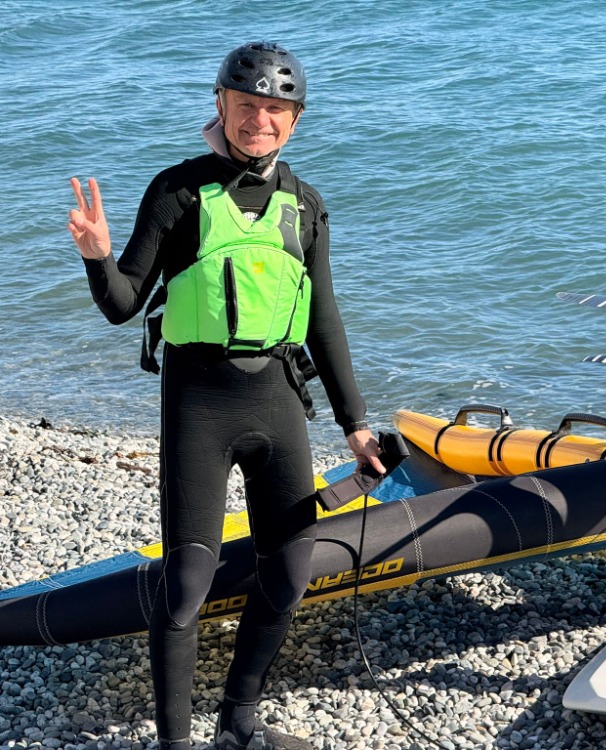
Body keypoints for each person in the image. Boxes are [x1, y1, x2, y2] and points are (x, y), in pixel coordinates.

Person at [68, 41, 385, 750]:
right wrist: (96, 256)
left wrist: (356, 425)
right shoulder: (178, 193)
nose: (259, 120)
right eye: (247, 106)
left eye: (276, 109)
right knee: (187, 580)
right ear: (221, 105)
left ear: (295, 120)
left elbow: (326, 319)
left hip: (276, 398)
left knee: (293, 571)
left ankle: (238, 722)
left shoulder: (305, 206)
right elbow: (124, 306)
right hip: (198, 404)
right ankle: (176, 743)